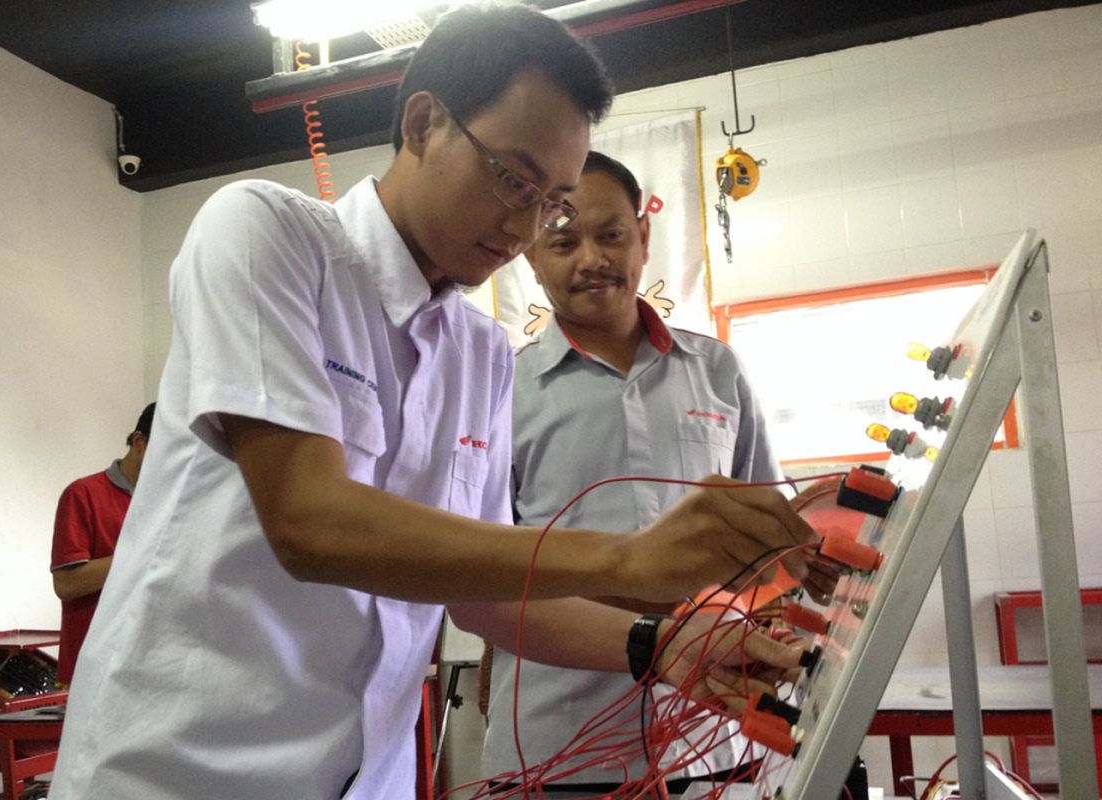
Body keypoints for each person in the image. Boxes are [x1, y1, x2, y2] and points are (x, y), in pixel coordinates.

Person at [49, 7, 816, 800]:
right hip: (180, 774)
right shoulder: (269, 235)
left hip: (365, 780)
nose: (524, 227)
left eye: (548, 201)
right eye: (513, 180)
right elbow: (309, 520)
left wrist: (661, 645)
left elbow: (482, 596)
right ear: (424, 123)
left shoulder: (479, 355)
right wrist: (628, 558)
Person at [478, 152, 839, 793]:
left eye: (611, 234)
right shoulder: (500, 392)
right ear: (531, 256)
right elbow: (484, 577)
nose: (591, 258)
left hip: (713, 739)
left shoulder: (719, 373)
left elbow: (772, 547)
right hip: (558, 744)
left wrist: (808, 559)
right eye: (562, 241)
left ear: (643, 237)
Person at [49, 402, 155, 684]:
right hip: (96, 670)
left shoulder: (170, 502)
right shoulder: (83, 494)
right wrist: (143, 552)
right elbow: (67, 585)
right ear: (139, 442)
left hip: (151, 667)